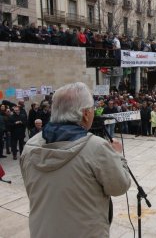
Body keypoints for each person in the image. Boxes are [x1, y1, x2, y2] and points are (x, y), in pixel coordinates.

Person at [20, 82, 131, 238]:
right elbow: (119, 186)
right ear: (85, 113)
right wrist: (118, 155)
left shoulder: (30, 146)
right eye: (92, 109)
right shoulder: (96, 147)